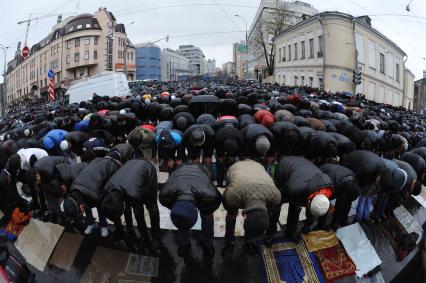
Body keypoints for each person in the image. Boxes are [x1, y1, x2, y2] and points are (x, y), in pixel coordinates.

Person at [159, 163, 221, 263]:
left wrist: (204, 211)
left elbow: (211, 208)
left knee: (207, 217)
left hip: (202, 171)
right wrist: (180, 210)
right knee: (181, 217)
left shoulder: (211, 196)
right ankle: (184, 243)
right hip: (180, 172)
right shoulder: (165, 195)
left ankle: (207, 241)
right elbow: (176, 210)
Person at [222, 160, 281, 256]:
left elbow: (268, 211)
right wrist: (234, 210)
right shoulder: (232, 195)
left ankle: (250, 240)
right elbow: (227, 203)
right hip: (236, 167)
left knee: (255, 222)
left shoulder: (276, 196)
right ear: (244, 215)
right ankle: (230, 241)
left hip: (258, 166)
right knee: (231, 216)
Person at [101, 159, 160, 254]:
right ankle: (139, 233)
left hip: (147, 169)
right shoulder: (107, 189)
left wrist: (151, 204)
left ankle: (155, 237)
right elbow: (122, 206)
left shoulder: (134, 194)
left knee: (151, 209)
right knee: (135, 209)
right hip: (129, 166)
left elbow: (150, 199)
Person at [63, 149, 123, 237]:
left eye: (80, 213)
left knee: (100, 207)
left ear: (80, 206)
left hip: (106, 171)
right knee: (87, 205)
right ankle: (91, 223)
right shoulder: (74, 191)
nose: (81, 214)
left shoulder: (94, 195)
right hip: (94, 171)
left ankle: (104, 226)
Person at [273, 156, 334, 242]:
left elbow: (313, 209)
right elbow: (280, 198)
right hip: (285, 166)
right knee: (277, 205)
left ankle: (290, 232)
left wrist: (307, 226)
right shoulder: (294, 189)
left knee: (296, 207)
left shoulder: (328, 190)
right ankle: (271, 234)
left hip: (303, 169)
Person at [25, 156, 70, 221]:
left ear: (37, 177)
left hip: (64, 165)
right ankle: (54, 212)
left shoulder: (48, 172)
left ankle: (64, 213)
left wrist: (63, 186)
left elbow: (59, 180)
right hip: (52, 170)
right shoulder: (35, 172)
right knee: (48, 193)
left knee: (59, 192)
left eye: (36, 184)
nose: (36, 185)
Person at [320, 164, 360, 230]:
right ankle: (321, 225)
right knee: (325, 203)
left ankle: (339, 221)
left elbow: (345, 202)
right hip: (325, 172)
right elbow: (326, 201)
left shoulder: (353, 182)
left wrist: (336, 223)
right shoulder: (332, 183)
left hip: (339, 178)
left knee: (342, 202)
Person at [0, 155, 28, 226]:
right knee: (9, 212)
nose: (20, 164)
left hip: (5, 192)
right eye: (19, 163)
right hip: (2, 197)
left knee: (16, 202)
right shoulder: (4, 178)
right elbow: (12, 195)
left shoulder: (10, 169)